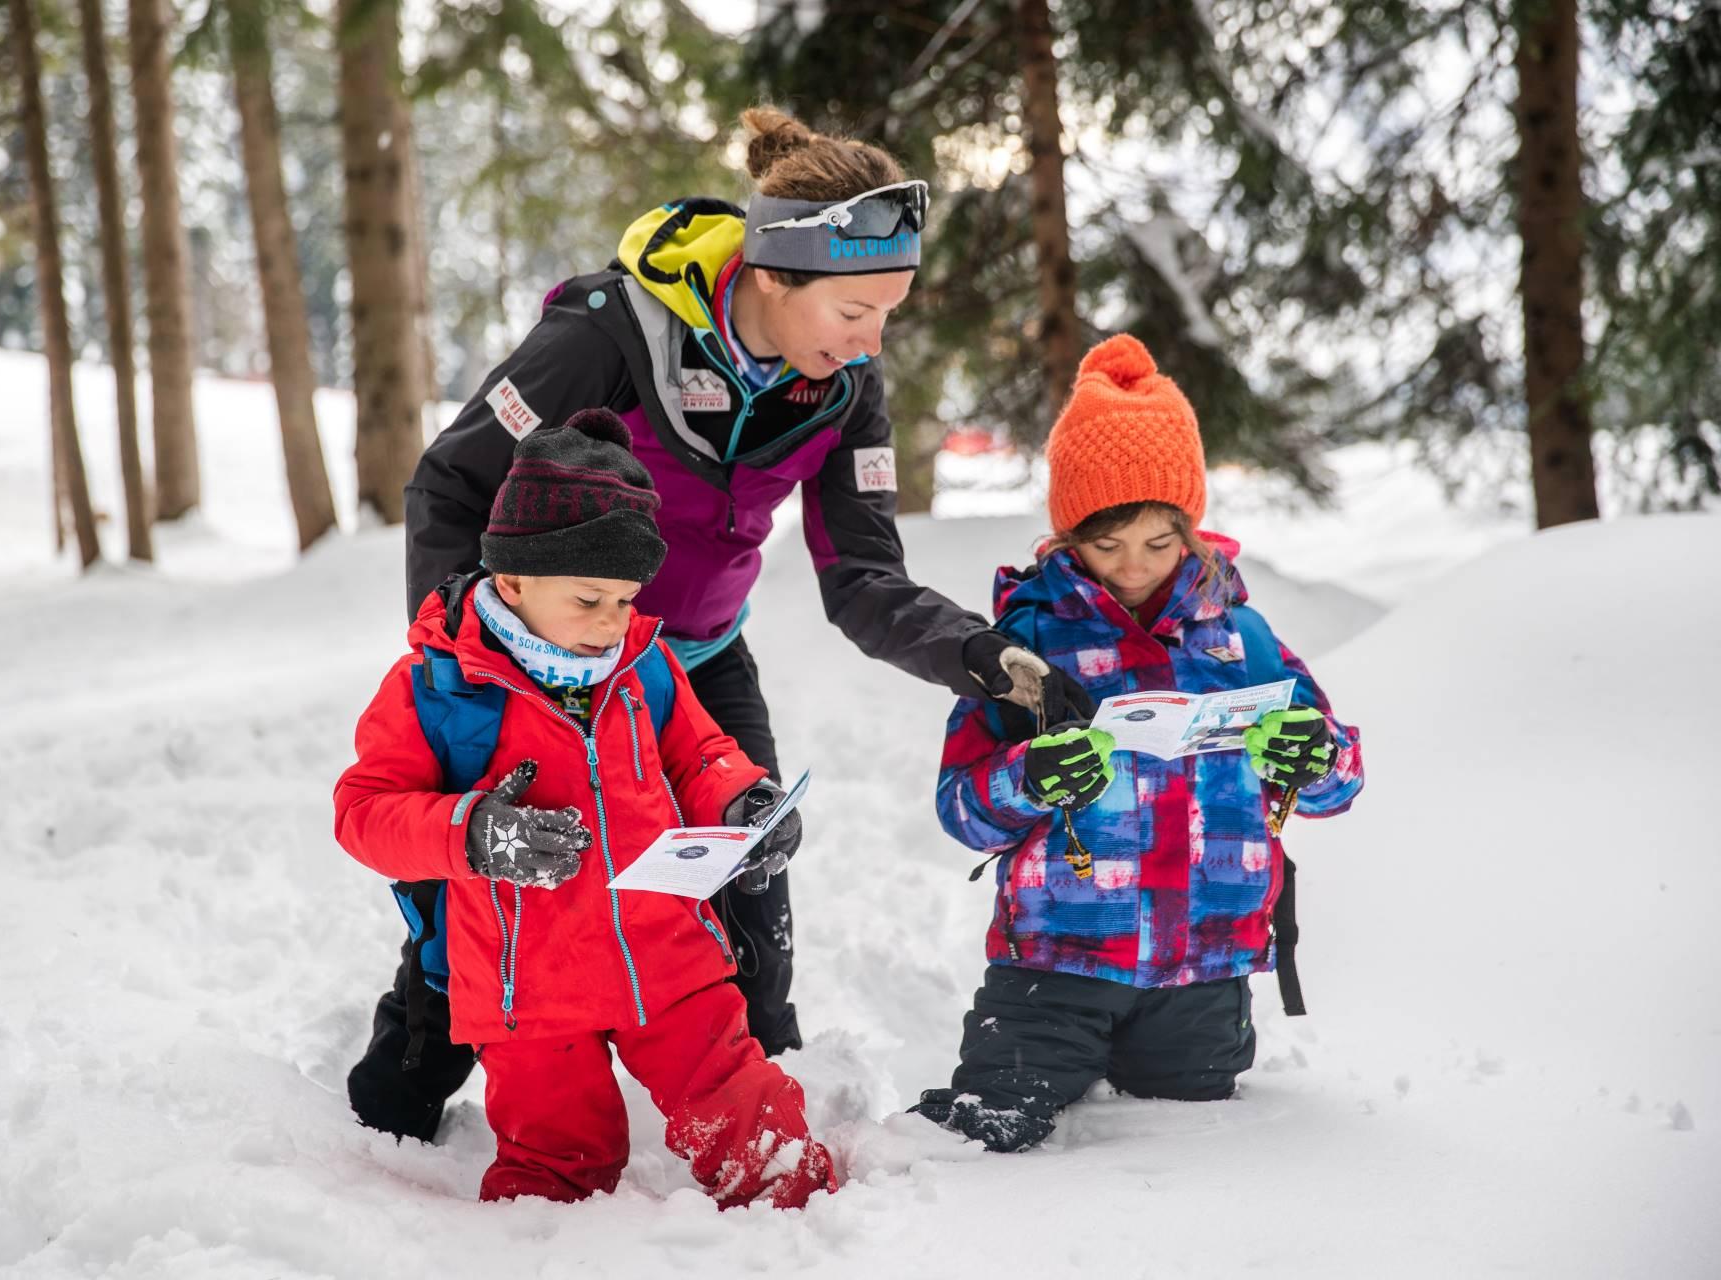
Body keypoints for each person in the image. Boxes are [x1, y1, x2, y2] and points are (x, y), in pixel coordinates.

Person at [348, 106, 1056, 1141]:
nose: (870, 343)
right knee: (496, 899)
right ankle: (392, 1113)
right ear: (772, 276)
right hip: (534, 669)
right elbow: (452, 483)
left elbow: (862, 577)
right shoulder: (606, 334)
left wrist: (982, 657)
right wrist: (469, 654)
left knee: (750, 888)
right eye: (855, 310)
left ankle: (756, 1128)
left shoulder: (842, 388)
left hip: (696, 665)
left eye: (887, 314)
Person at [333, 409, 837, 1207]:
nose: (612, 624)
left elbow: (699, 753)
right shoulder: (438, 686)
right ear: (514, 582)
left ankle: (810, 1232)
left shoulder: (645, 663)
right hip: (530, 988)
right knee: (554, 1166)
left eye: (627, 598)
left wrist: (746, 800)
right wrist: (474, 831)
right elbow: (364, 812)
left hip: (668, 955)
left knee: (750, 1118)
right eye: (590, 598)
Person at [912, 334, 1366, 1153]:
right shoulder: (1028, 644)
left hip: (1204, 972)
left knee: (1187, 1151)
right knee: (984, 1141)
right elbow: (962, 808)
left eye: (1159, 543)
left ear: (1190, 528)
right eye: (1105, 544)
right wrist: (1031, 777)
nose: (1133, 568)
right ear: (1067, 536)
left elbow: (1338, 780)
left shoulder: (1242, 640)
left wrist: (1314, 755)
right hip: (1057, 964)